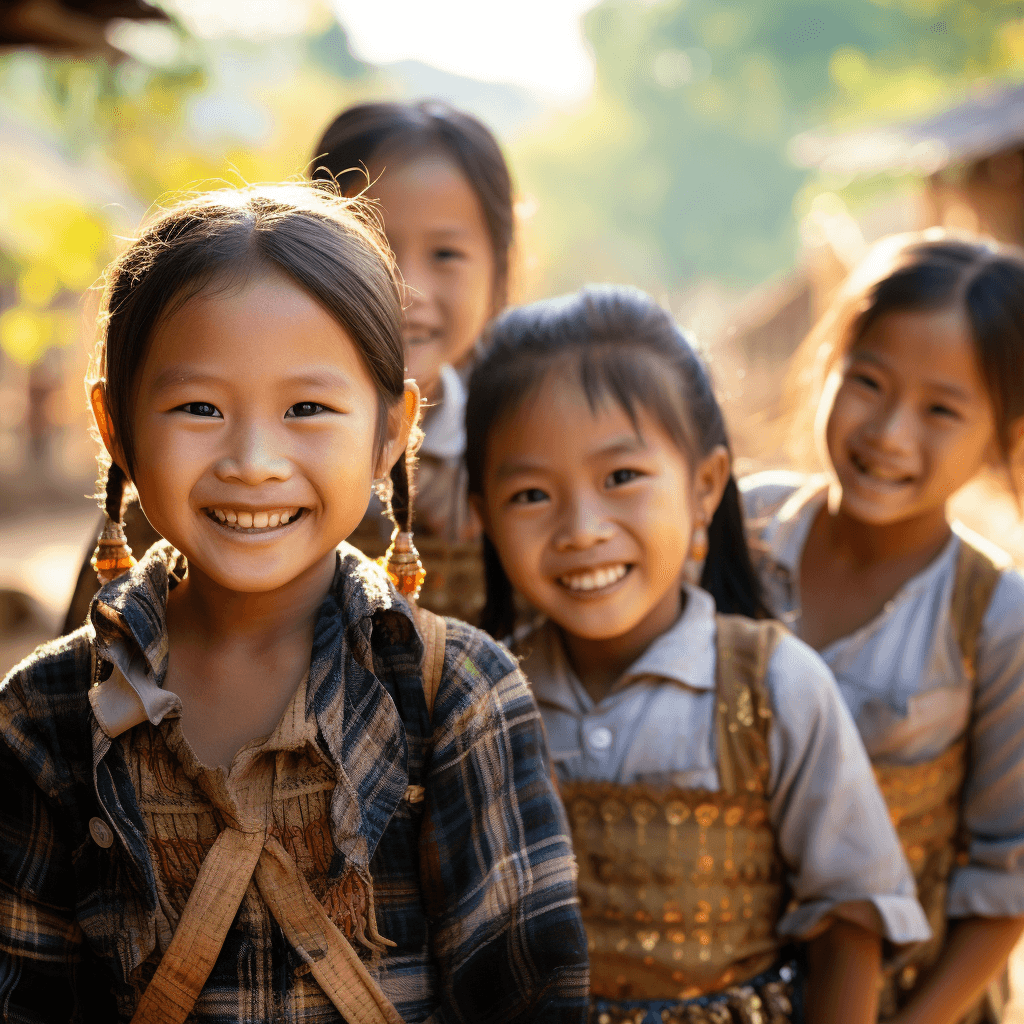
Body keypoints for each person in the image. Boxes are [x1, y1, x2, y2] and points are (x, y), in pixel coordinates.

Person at [0, 184, 588, 1023]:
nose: (253, 460)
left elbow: (531, 994)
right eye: (199, 408)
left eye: (306, 409)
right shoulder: (44, 715)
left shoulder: (457, 695)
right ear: (115, 426)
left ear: (391, 431)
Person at [465, 285, 930, 1024]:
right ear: (484, 515)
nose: (582, 528)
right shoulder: (482, 701)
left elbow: (851, 921)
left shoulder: (775, 687)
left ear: (704, 486)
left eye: (621, 478)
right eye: (530, 494)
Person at [62, 99, 514, 631]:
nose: (407, 289)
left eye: (446, 254)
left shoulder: (524, 464)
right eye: (378, 248)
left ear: (499, 267)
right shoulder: (176, 481)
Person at [741, 232, 1024, 1024]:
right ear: (828, 364)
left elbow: (1007, 884)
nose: (891, 433)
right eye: (868, 382)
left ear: (1005, 435)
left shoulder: (996, 618)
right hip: (719, 988)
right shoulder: (743, 529)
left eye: (942, 410)